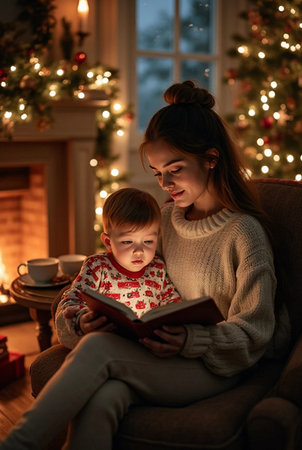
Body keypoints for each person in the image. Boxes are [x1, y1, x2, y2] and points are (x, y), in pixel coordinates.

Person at [0, 80, 290, 450]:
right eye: (157, 172)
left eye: (174, 168)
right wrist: (79, 320)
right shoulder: (166, 221)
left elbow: (255, 333)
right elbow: (115, 273)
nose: (164, 183)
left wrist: (193, 339)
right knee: (105, 397)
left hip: (214, 366)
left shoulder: (245, 235)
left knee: (98, 350)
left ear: (211, 159)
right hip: (160, 355)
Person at [56, 187, 181, 349]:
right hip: (106, 344)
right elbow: (72, 300)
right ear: (108, 242)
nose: (139, 251)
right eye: (128, 242)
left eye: (148, 241)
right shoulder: (96, 267)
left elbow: (172, 300)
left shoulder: (157, 267)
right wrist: (82, 319)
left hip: (145, 347)